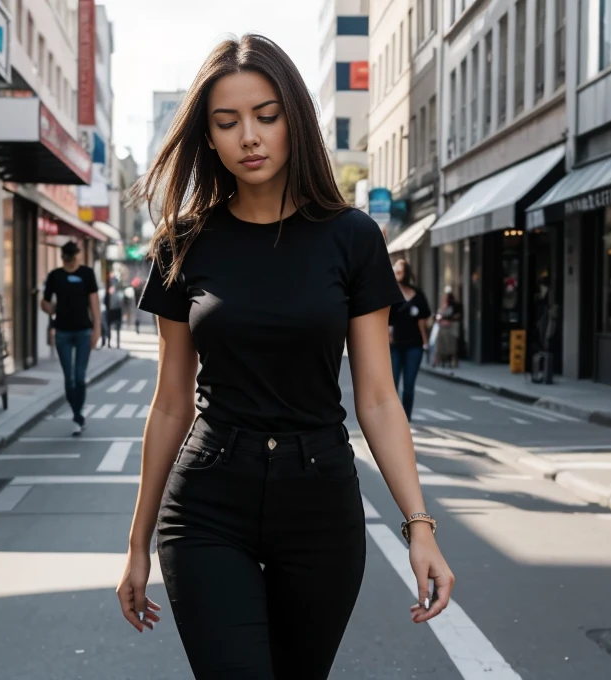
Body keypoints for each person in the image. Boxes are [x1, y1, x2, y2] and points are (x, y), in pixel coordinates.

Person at [115, 34, 454, 680]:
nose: (249, 135)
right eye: (227, 121)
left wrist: (420, 525)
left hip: (320, 498)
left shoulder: (353, 239)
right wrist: (137, 545)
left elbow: (378, 398)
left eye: (266, 115)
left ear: (295, 118)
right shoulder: (182, 244)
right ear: (208, 136)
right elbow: (169, 403)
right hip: (209, 501)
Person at [40, 241, 101, 435]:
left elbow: (94, 304)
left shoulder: (86, 274)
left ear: (77, 255)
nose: (70, 260)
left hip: (83, 332)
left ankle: (77, 416)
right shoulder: (55, 276)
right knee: (70, 379)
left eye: (72, 256)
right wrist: (51, 308)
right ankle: (78, 416)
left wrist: (97, 329)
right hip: (62, 333)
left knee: (80, 378)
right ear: (63, 256)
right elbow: (45, 302)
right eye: (67, 256)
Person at [389, 259, 431, 421]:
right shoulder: (390, 293)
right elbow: (384, 319)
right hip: (394, 344)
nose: (397, 274)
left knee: (409, 384)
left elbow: (423, 318)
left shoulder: (417, 294)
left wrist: (425, 340)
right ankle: (393, 417)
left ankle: (406, 417)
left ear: (406, 273)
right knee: (392, 384)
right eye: (395, 272)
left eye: (400, 272)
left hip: (414, 345)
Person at [432, 286, 462, 368]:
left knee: (451, 345)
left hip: (451, 329)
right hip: (442, 328)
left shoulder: (455, 306)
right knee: (441, 345)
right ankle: (439, 360)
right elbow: (437, 315)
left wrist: (446, 319)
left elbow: (457, 316)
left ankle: (452, 361)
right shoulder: (443, 307)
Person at [106, 278, 124, 348]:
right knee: (110, 328)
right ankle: (110, 343)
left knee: (116, 329)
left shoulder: (118, 292)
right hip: (112, 311)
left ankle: (115, 343)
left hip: (115, 311)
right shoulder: (111, 291)